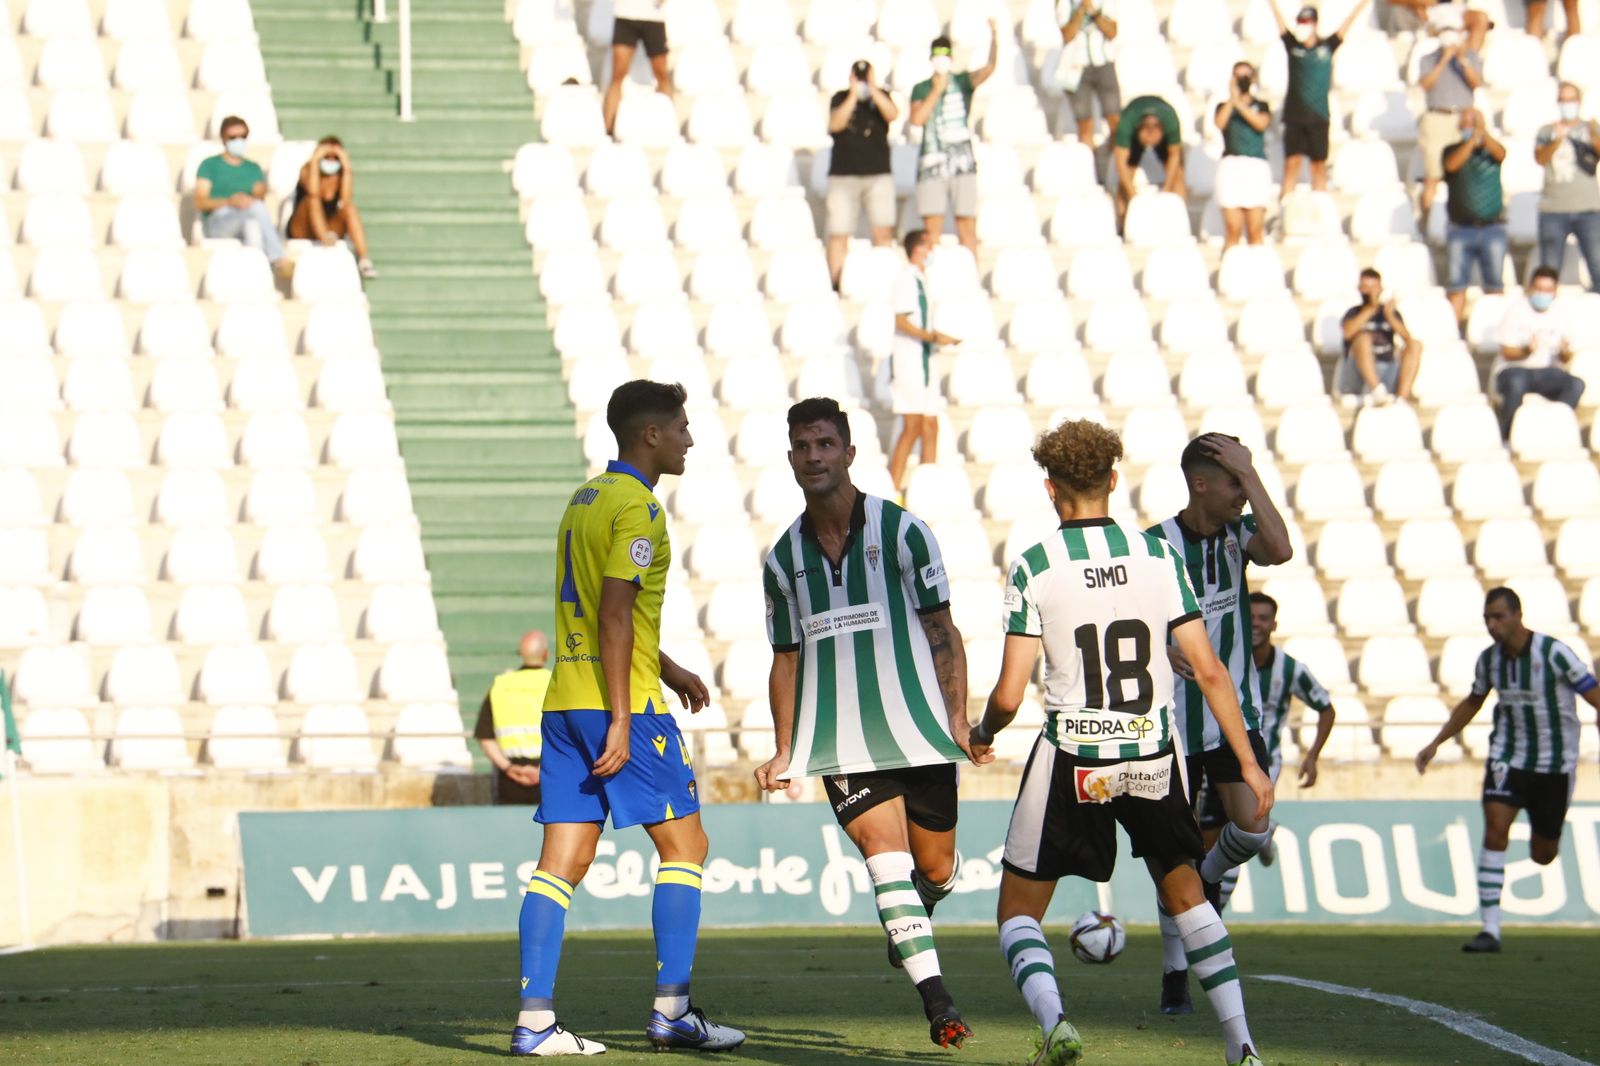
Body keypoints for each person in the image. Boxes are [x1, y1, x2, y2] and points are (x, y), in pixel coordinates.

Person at [971, 417, 1271, 1066]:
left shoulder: (1037, 565)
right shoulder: (1157, 556)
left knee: (1018, 915)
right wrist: (1248, 761)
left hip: (1073, 755)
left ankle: (1056, 1026)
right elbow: (1211, 670)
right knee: (1189, 896)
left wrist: (983, 733)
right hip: (1151, 751)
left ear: (1051, 490)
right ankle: (1241, 1045)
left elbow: (1008, 694)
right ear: (1113, 480)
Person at [511, 380, 744, 1056]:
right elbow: (614, 612)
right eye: (680, 428)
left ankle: (535, 1021)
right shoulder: (639, 510)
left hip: (563, 703)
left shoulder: (583, 499)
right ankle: (672, 1012)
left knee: (561, 861)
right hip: (624, 708)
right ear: (651, 435)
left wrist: (672, 669)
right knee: (686, 848)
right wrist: (623, 715)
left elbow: (602, 609)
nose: (689, 439)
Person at [755, 397, 978, 1051]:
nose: (814, 456)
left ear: (849, 453)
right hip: (841, 740)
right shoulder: (780, 561)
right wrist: (784, 749)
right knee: (885, 860)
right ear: (791, 457)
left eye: (825, 444)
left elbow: (942, 629)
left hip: (918, 730)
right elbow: (786, 659)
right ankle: (940, 1006)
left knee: (935, 869)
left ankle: (926, 898)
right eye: (803, 446)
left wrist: (959, 718)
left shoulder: (905, 532)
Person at [1147, 432, 1292, 1016]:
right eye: (1234, 481)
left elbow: (1280, 549)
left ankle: (1209, 878)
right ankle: (1174, 973)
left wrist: (1252, 474)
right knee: (1170, 850)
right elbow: (1125, 618)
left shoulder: (1238, 538)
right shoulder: (1154, 545)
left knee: (1254, 827)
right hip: (1171, 720)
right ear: (1201, 483)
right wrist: (1163, 648)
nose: (1242, 494)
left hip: (1234, 713)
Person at [1416, 587, 1600, 953]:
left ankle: (1545, 839)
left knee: (1543, 854)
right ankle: (1490, 930)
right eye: (1487, 618)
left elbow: (1593, 694)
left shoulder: (1554, 654)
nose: (1492, 624)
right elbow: (1473, 701)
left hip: (1554, 763)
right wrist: (1437, 741)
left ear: (1518, 615)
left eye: (1498, 616)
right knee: (1495, 830)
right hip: (1508, 757)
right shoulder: (1489, 661)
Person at [1198, 592, 1335, 902]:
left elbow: (1326, 708)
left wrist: (1312, 756)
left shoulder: (1289, 669)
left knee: (1232, 828)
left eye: (1263, 618)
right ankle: (1261, 834)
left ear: (1274, 624)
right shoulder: (1224, 660)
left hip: (1261, 763)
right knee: (1212, 834)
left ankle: (1214, 908)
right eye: (1252, 617)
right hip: (1217, 751)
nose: (1257, 624)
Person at [908, 26, 999, 258]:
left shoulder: (962, 81)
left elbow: (988, 69)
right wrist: (936, 91)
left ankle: (971, 280)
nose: (942, 61)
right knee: (932, 230)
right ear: (931, 59)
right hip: (932, 164)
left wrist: (995, 38)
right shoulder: (922, 88)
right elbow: (917, 119)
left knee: (967, 227)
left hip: (962, 161)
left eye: (945, 56)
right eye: (937, 56)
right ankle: (933, 278)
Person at [1267, 0, 1372, 200]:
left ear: (1315, 23)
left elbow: (1347, 24)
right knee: (1292, 163)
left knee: (1318, 165)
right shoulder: (1293, 46)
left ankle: (1321, 208)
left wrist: (1361, 5)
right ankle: (1284, 207)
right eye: (1301, 21)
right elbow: (1278, 21)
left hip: (1319, 116)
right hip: (1295, 116)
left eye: (1308, 21)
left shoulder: (1327, 46)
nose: (1304, 25)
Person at [888, 230, 958, 493]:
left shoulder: (922, 279)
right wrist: (931, 336)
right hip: (910, 363)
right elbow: (902, 320)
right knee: (912, 426)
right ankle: (892, 489)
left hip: (926, 362)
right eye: (928, 245)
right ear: (918, 248)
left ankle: (928, 488)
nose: (931, 251)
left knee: (931, 424)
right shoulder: (906, 279)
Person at [826, 60, 900, 289]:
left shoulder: (881, 97)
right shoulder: (840, 98)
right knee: (839, 232)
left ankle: (884, 281)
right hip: (843, 176)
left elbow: (892, 114)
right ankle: (837, 285)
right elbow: (835, 124)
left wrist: (874, 89)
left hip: (878, 175)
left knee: (883, 230)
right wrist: (853, 94)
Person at [1492, 264, 1586, 437]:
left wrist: (1564, 352)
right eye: (1539, 288)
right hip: (1515, 370)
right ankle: (1509, 434)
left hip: (1547, 372)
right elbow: (1506, 352)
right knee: (1517, 382)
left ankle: (1556, 430)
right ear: (1531, 288)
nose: (1543, 293)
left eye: (1548, 289)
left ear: (1555, 290)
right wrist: (1526, 350)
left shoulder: (1562, 313)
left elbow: (1566, 357)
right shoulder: (1516, 310)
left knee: (1576, 384)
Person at [194, 115, 291, 279]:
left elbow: (259, 193)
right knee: (256, 209)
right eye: (233, 137)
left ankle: (255, 276)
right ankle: (278, 256)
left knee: (252, 225)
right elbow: (200, 202)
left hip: (247, 216)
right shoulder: (209, 165)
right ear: (224, 139)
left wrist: (251, 197)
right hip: (218, 221)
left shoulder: (252, 168)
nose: (238, 141)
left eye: (242, 137)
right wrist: (229, 201)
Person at [1442, 107, 1508, 325]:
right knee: (1456, 286)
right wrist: (1472, 140)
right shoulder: (1451, 149)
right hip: (1460, 228)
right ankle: (1452, 329)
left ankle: (1496, 328)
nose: (1471, 127)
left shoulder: (1491, 150)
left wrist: (1483, 133)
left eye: (1474, 123)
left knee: (1495, 285)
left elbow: (1501, 154)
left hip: (1492, 228)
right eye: (1467, 123)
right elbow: (1452, 164)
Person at [1415, 9, 1483, 217]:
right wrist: (1444, 59)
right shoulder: (1428, 58)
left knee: (1466, 173)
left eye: (1452, 30)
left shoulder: (1471, 56)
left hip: (1464, 120)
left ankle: (1467, 217)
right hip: (1437, 117)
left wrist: (1461, 60)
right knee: (1433, 175)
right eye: (1445, 30)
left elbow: (1476, 82)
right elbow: (1425, 85)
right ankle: (1427, 224)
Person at [475, 630, 552, 806]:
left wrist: (509, 768)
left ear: (521, 654)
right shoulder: (555, 683)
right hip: (550, 773)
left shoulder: (501, 685)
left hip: (510, 777)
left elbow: (485, 736)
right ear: (546, 654)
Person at [1535, 83, 1600, 289]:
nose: (1567, 104)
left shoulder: (1591, 128)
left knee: (1598, 268)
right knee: (1549, 274)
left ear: (1579, 102)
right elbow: (1540, 158)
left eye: (1571, 100)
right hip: (1554, 210)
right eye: (1563, 100)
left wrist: (1593, 137)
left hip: (1589, 209)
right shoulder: (1547, 131)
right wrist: (1557, 139)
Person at [286, 136, 376, 279]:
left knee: (350, 208)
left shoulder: (340, 176)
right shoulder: (306, 170)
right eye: (326, 157)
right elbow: (313, 191)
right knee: (312, 200)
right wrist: (315, 161)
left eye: (335, 157)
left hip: (329, 225)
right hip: (303, 226)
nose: (330, 161)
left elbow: (346, 200)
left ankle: (364, 259)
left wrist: (346, 167)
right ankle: (325, 238)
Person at [1339, 268, 1423, 405]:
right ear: (1359, 289)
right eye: (1366, 287)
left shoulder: (1390, 313)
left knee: (1416, 345)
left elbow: (1407, 339)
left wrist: (1390, 317)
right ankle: (1377, 390)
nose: (1370, 291)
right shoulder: (1353, 312)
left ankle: (1401, 399)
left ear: (1381, 288)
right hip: (1358, 374)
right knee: (1363, 338)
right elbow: (1348, 332)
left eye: (1374, 287)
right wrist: (1371, 308)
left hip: (1387, 367)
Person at [1214, 62, 1273, 249]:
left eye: (1246, 76)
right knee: (1232, 232)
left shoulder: (1261, 105)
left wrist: (1240, 104)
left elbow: (1261, 124)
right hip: (1232, 165)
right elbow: (1220, 123)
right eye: (1239, 76)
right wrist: (1233, 99)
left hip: (1255, 165)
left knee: (1255, 232)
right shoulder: (1224, 106)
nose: (1243, 80)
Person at [1109, 95, 1186, 228]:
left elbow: (1174, 155)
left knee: (1177, 175)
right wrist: (1134, 199)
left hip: (1163, 128)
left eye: (1153, 139)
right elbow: (1120, 164)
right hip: (1133, 131)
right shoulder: (1127, 123)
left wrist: (1166, 190)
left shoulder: (1171, 121)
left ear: (1161, 133)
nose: (1150, 144)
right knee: (1126, 178)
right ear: (1140, 132)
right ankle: (1123, 222)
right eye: (1147, 140)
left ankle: (1179, 220)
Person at [1056, 0, 1121, 151]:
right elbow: (1067, 35)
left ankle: (1113, 165)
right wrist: (1080, 11)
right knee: (1084, 123)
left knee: (1115, 120)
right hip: (1076, 67)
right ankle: (1089, 164)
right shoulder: (1064, 3)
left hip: (1104, 63)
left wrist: (1093, 11)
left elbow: (1112, 32)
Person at [603, 0, 671, 137]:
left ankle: (670, 125)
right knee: (617, 75)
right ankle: (607, 131)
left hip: (653, 15)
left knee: (662, 75)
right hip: (625, 14)